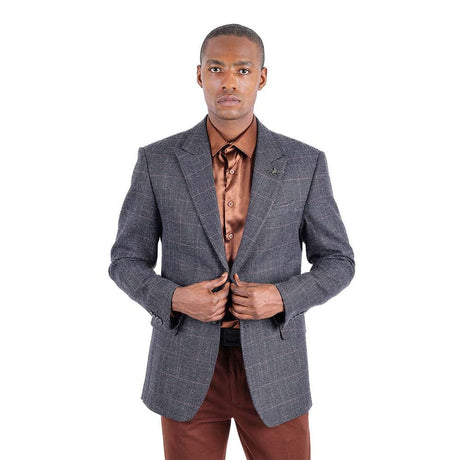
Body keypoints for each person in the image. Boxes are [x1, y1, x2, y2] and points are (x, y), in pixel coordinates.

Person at [108, 23, 355, 460]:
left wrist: (281, 297)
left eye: (242, 70)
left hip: (274, 366)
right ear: (198, 75)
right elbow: (125, 260)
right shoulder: (157, 161)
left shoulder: (304, 163)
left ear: (261, 77)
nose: (228, 82)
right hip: (185, 367)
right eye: (216, 68)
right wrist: (175, 299)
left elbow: (338, 260)